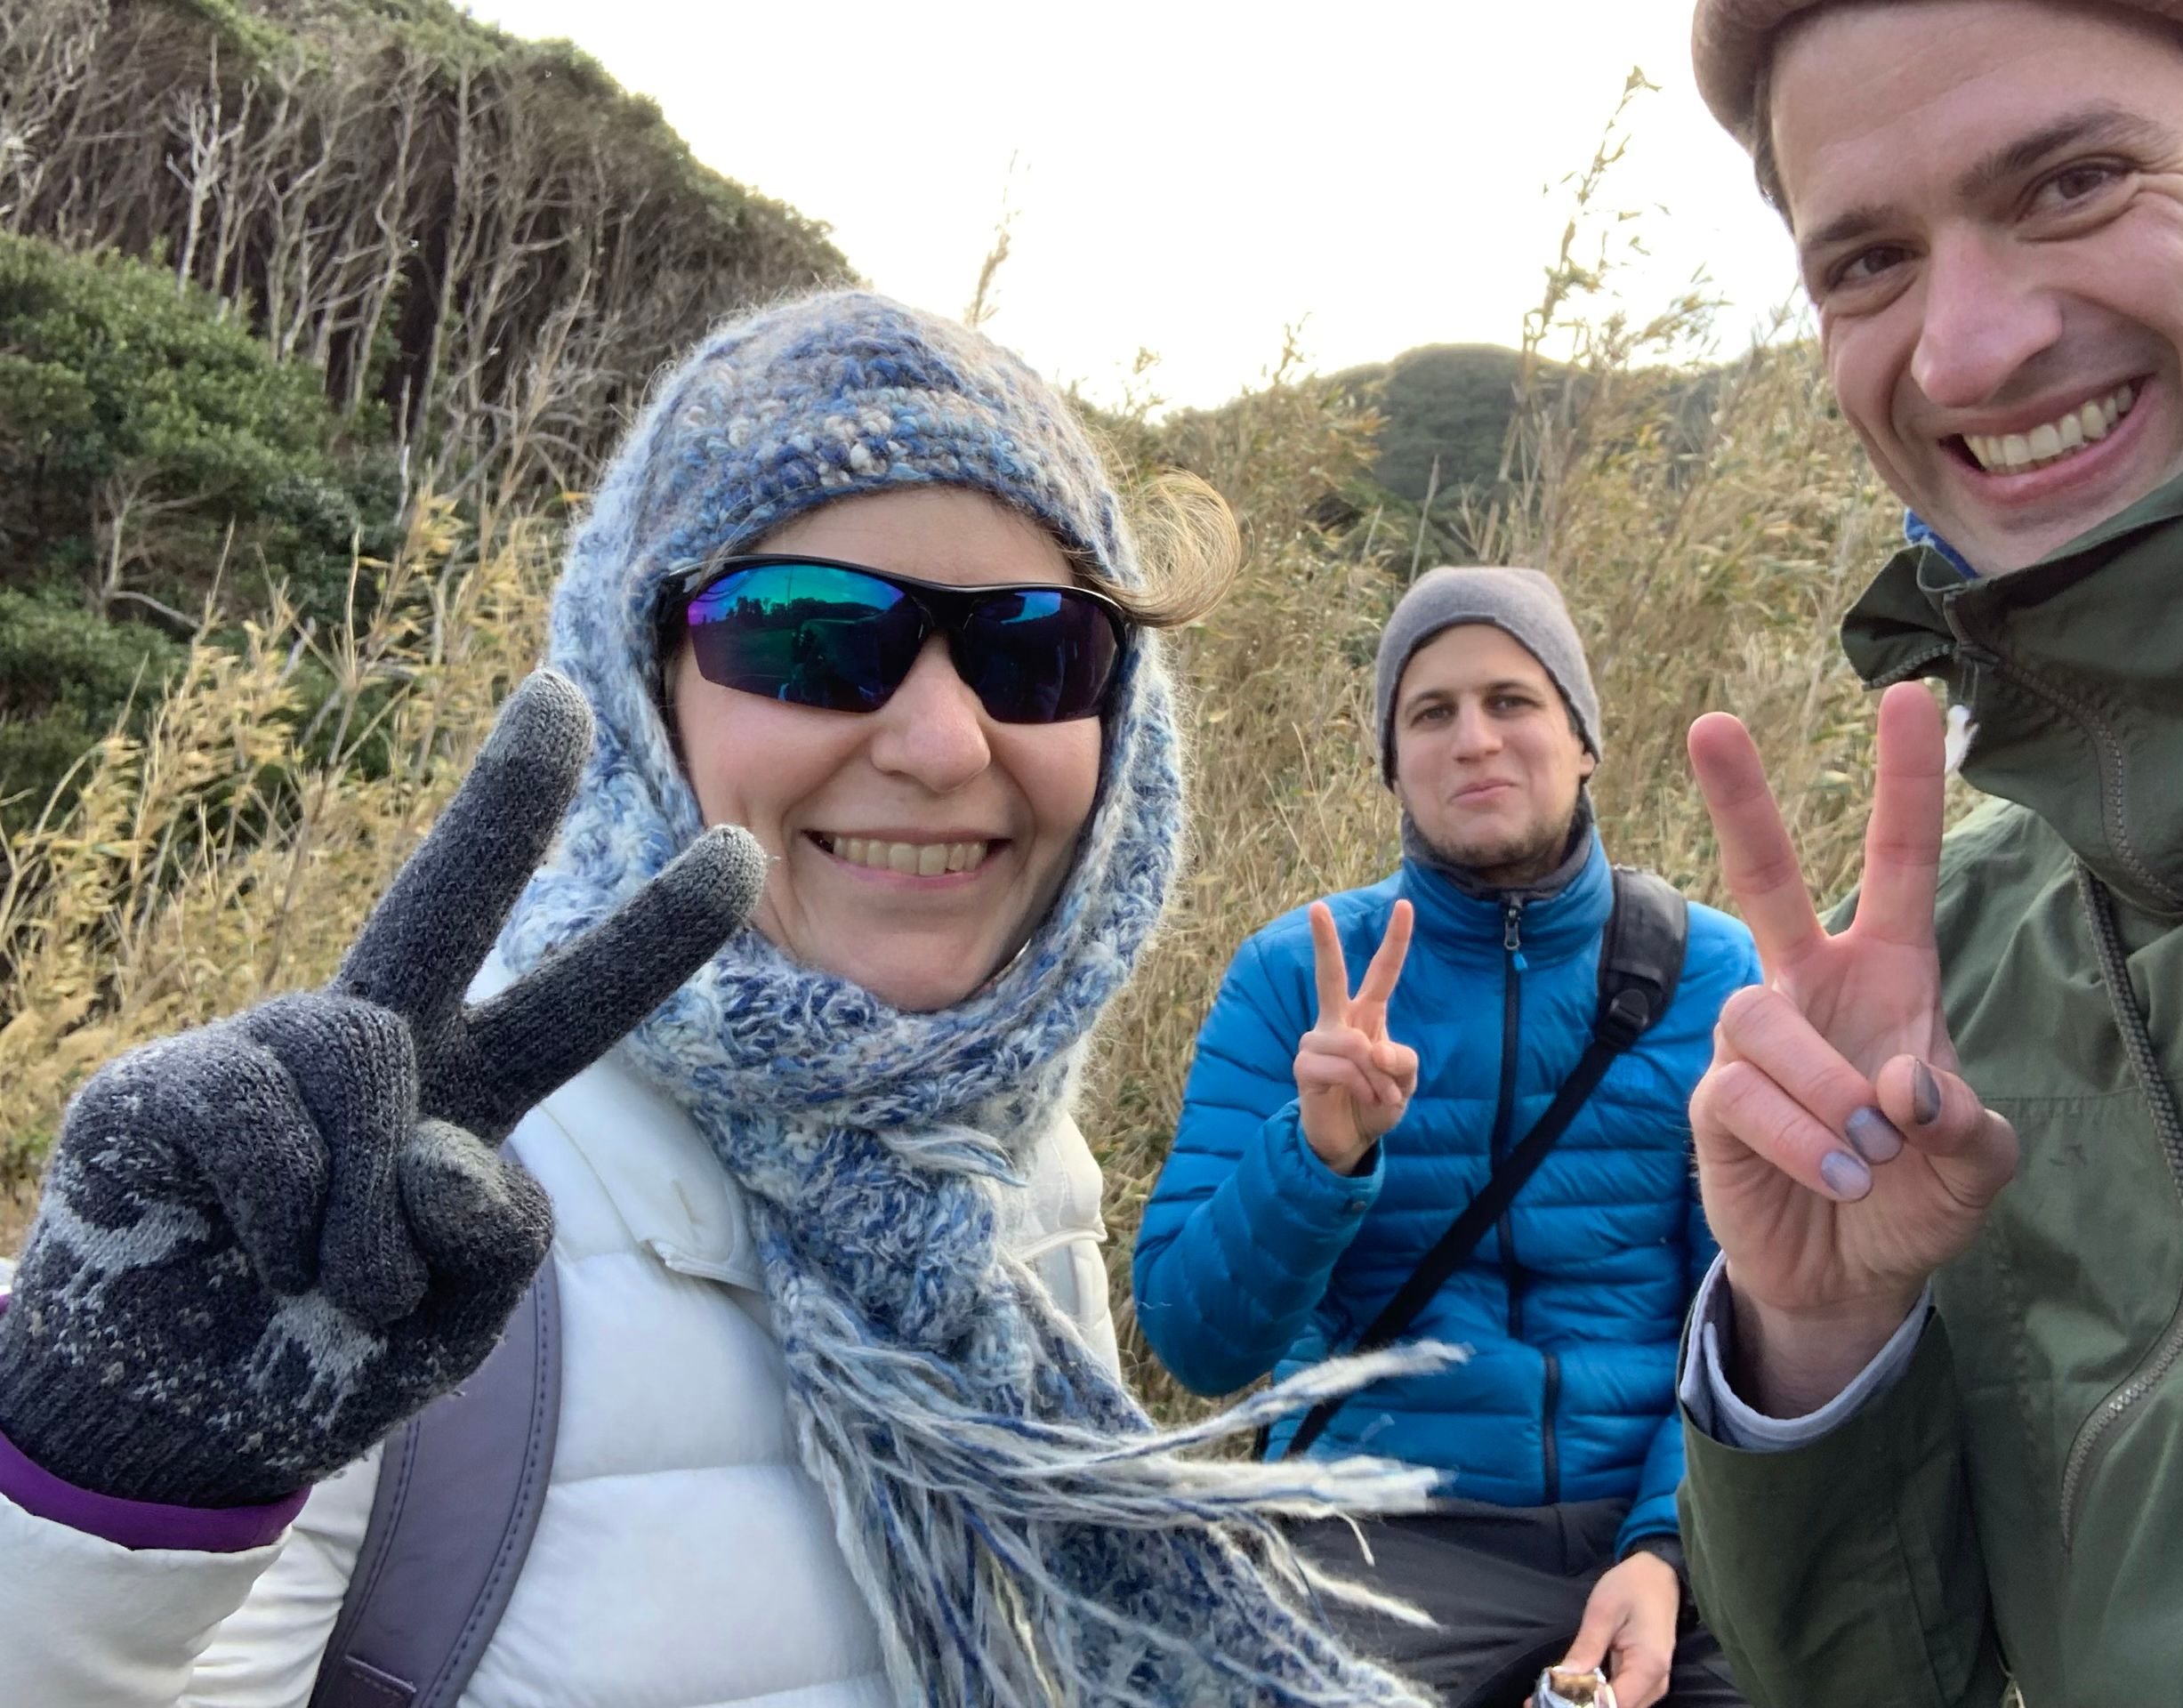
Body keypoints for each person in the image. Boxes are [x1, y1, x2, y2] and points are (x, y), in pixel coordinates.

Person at [0, 292, 1449, 1707]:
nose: (944, 742)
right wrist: (96, 1494)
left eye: (1033, 647)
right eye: (806, 630)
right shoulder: (371, 1204)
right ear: (645, 688)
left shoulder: (1016, 1156)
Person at [1673, 3, 2183, 1703]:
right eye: (1864, 262)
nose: (1964, 353)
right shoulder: (1969, 964)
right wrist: (1818, 1340)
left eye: (2077, 181)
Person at [1132, 566, 1760, 1708]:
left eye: (1512, 701)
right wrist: (1315, 1157)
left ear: (1581, 740)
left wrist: (1668, 1548)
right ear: (1392, 765)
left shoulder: (1711, 974)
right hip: (1375, 1532)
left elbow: (1746, 1313)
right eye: (1431, 713)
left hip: (1666, 1522)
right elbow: (1197, 1342)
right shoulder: (1294, 980)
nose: (1474, 739)